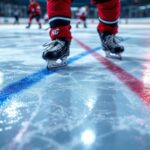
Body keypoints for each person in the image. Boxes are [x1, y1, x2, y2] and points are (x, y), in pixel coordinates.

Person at [42, 0, 124, 69]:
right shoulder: (83, 9)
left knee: (109, 1)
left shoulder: (84, 9)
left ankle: (107, 33)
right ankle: (60, 37)